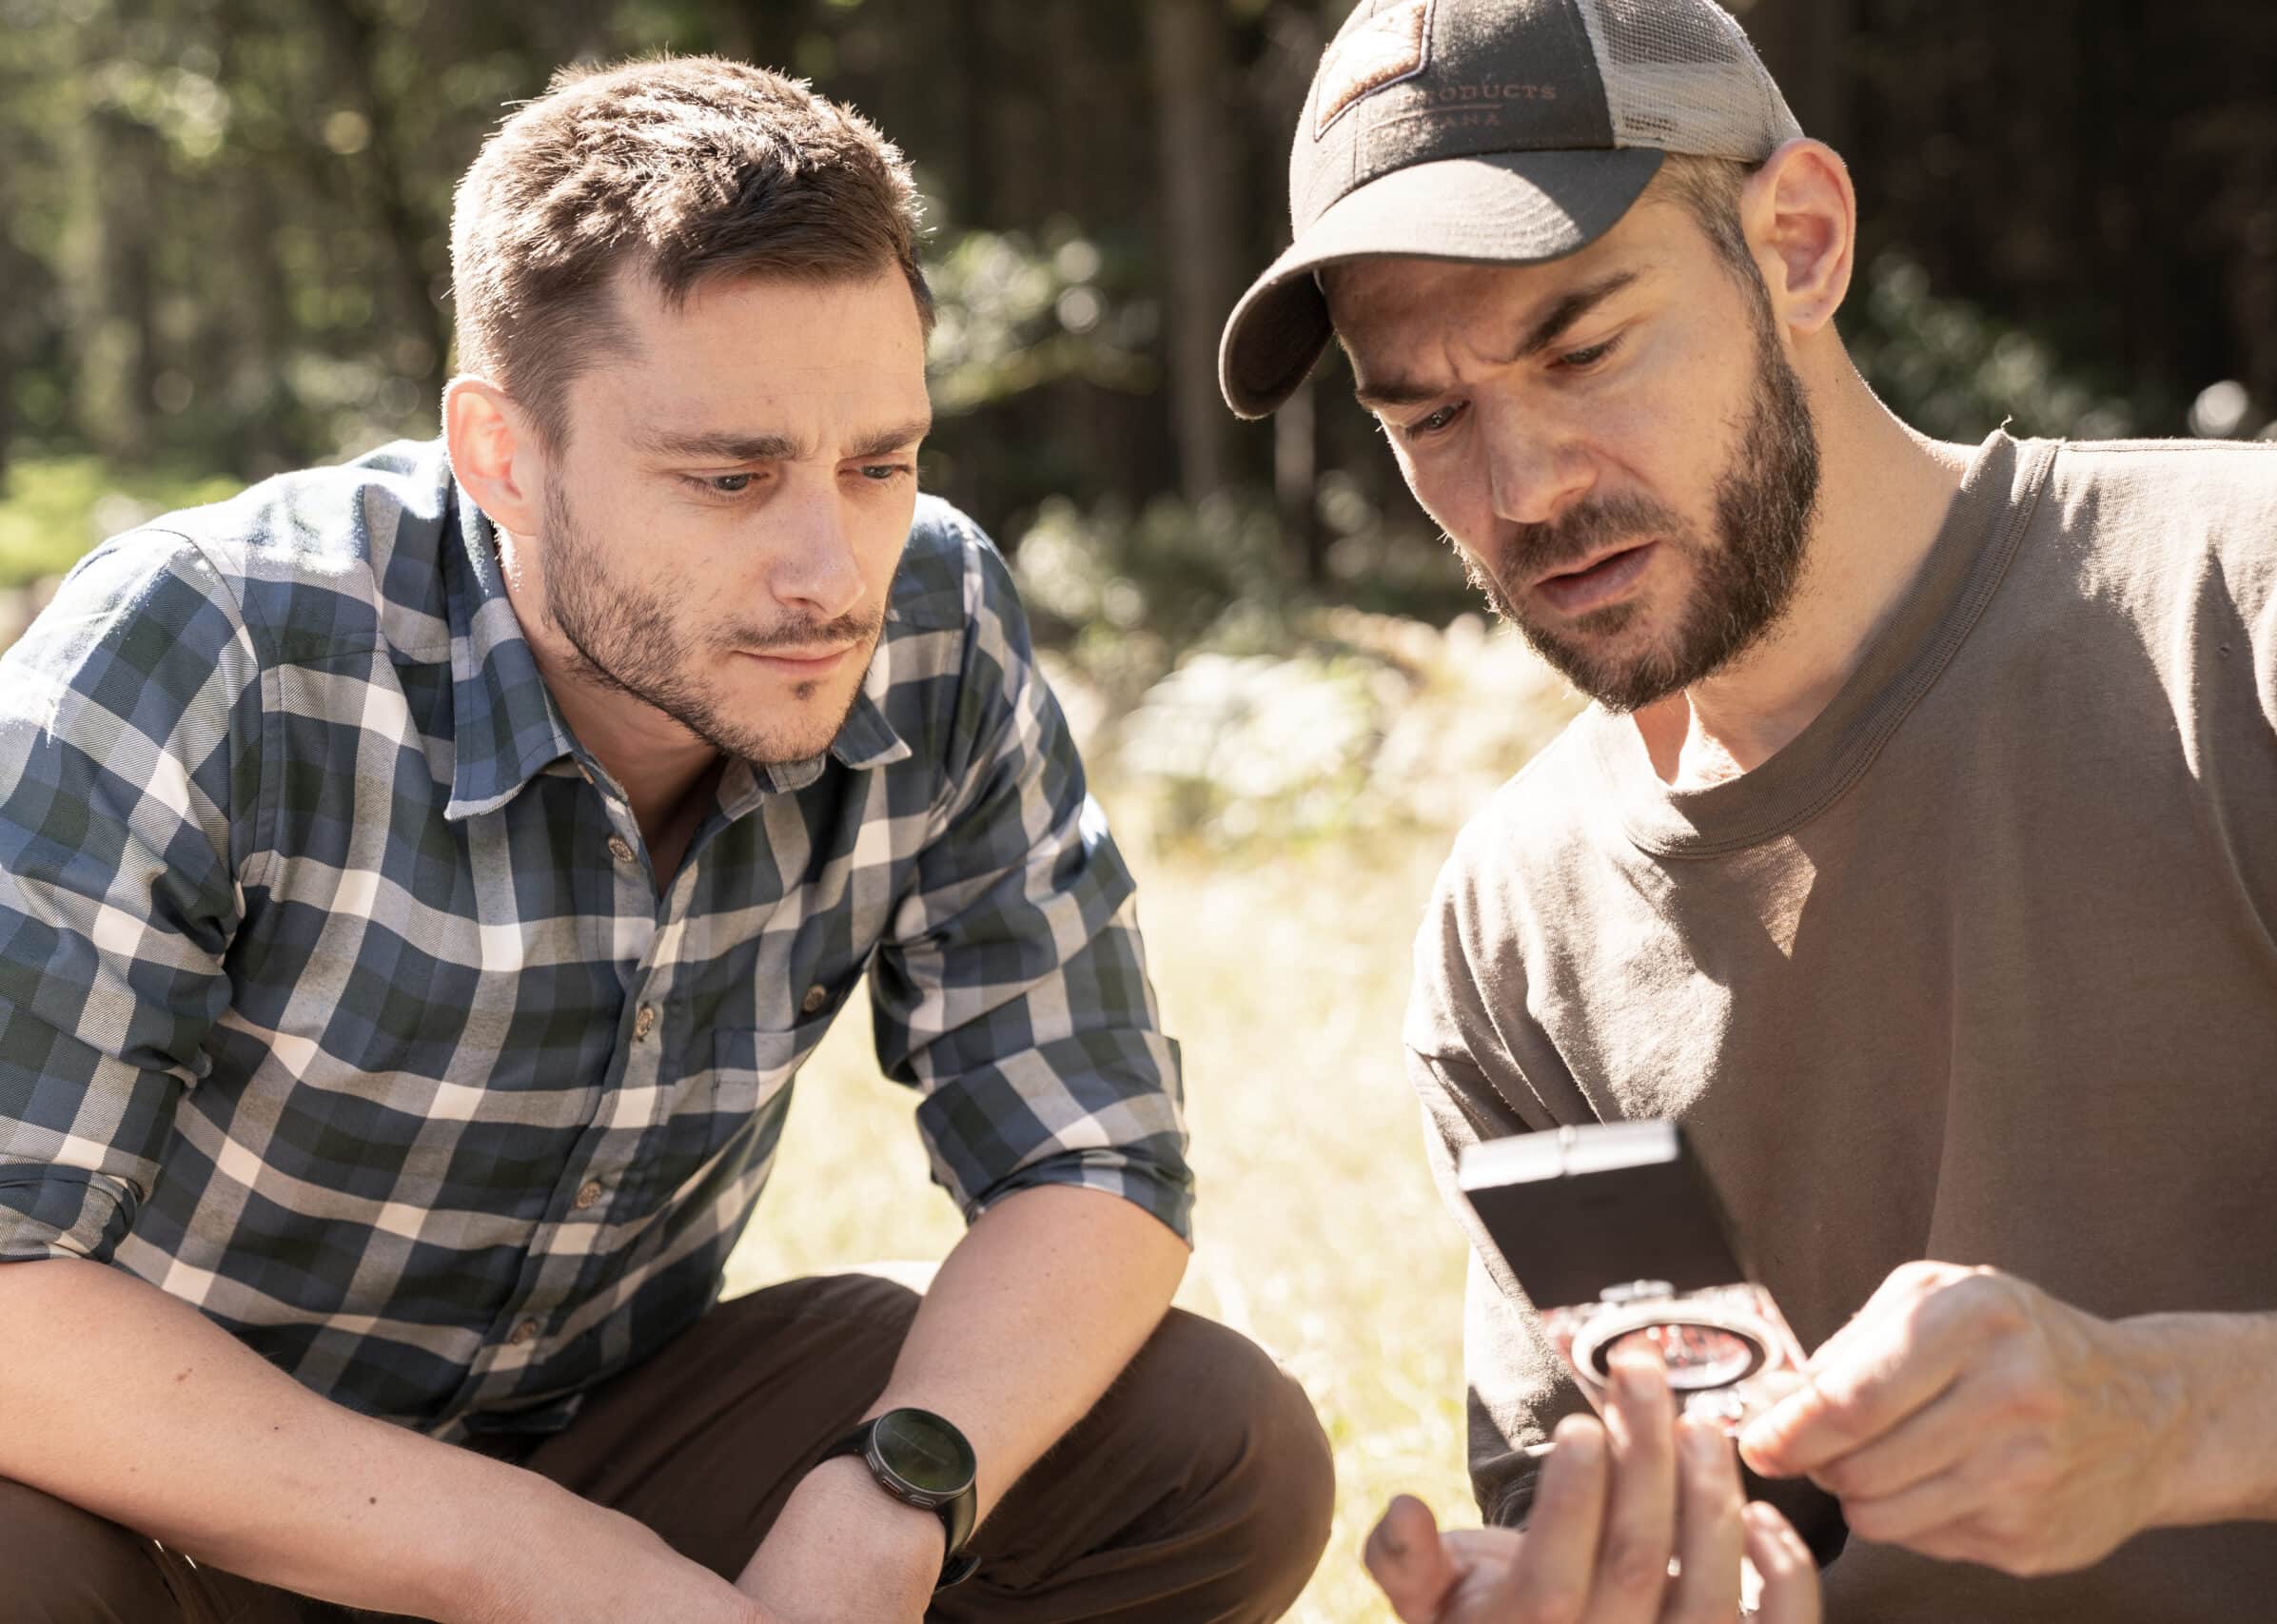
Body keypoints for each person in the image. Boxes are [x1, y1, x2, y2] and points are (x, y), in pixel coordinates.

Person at [0, 56, 1331, 1624]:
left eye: (881, 463)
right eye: (730, 476)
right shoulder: (210, 641)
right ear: (502, 454)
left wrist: (897, 1495)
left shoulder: (932, 619)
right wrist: (549, 1570)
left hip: (605, 1444)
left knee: (1210, 1442)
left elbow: (1092, 1153)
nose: (828, 569)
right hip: (177, 1513)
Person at [1221, 1, 2277, 1620]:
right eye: (1426, 416)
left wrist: (2176, 1420)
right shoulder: (1518, 926)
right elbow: (1660, 1522)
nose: (1518, 488)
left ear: (1798, 242)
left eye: (1579, 348)